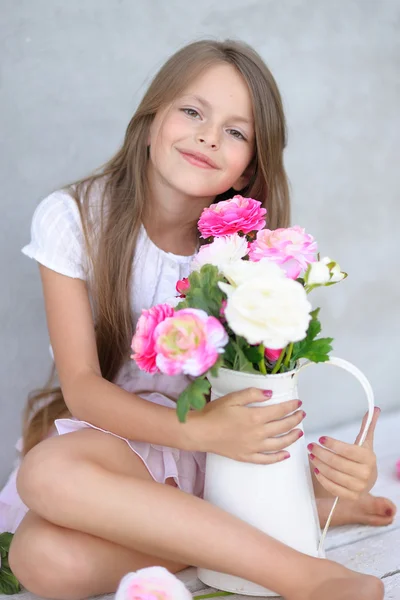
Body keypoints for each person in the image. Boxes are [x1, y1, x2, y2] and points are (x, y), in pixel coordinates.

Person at [0, 39, 395, 600]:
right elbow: (83, 389)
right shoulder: (76, 220)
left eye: (236, 132)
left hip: (219, 456)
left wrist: (334, 462)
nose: (209, 136)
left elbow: (265, 389)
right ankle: (258, 527)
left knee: (47, 510)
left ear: (248, 168)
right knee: (37, 556)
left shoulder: (254, 252)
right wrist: (197, 428)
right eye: (192, 111)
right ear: (150, 120)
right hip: (115, 440)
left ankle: (307, 576)